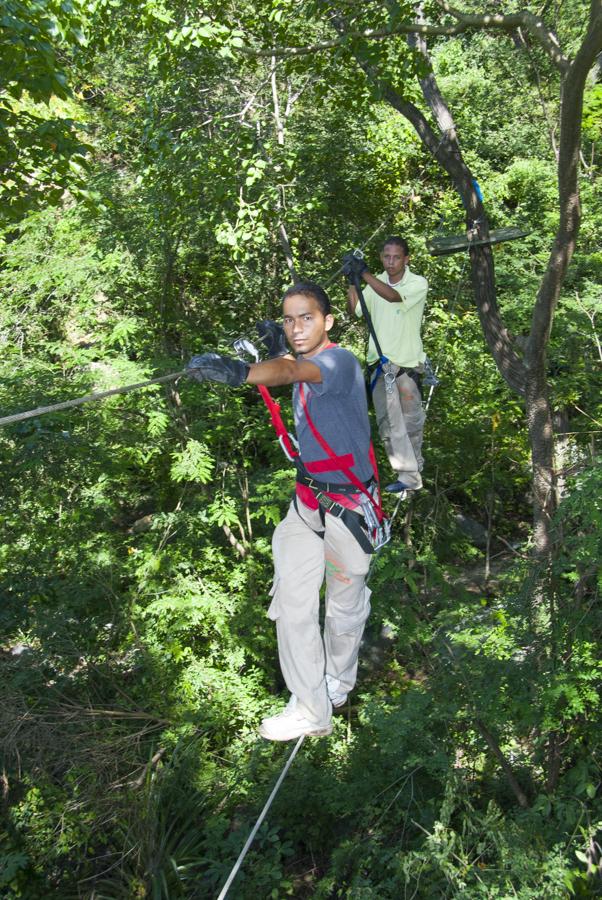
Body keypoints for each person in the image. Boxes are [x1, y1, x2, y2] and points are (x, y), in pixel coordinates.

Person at [187, 282, 376, 741]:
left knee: (344, 611)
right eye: (288, 320)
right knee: (291, 606)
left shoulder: (341, 361)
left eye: (306, 318)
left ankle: (337, 681)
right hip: (307, 504)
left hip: (348, 508)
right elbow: (290, 368)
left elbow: (295, 373)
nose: (296, 328)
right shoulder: (300, 359)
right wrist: (274, 353)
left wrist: (239, 371)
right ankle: (310, 705)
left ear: (328, 321)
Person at [346, 236, 428, 493]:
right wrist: (352, 281)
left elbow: (393, 296)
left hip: (405, 366)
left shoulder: (417, 283)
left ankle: (413, 474)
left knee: (410, 422)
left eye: (396, 257)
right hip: (380, 366)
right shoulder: (373, 283)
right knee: (387, 425)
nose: (391, 262)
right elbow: (355, 311)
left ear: (406, 259)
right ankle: (406, 476)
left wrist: (366, 273)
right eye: (386, 257)